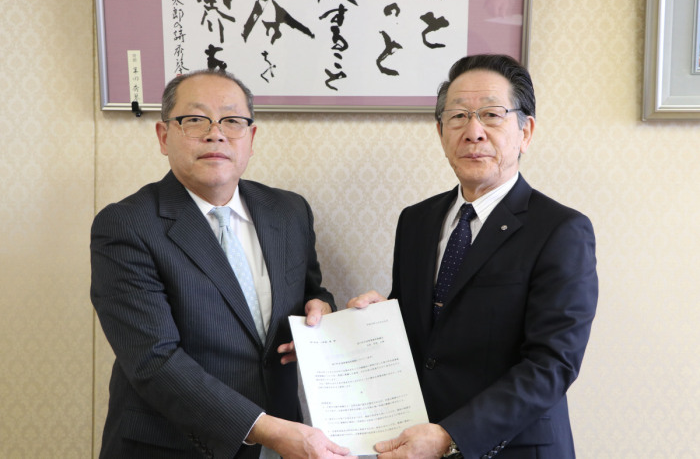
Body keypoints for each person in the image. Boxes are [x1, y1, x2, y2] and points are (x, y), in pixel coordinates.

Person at [91, 69, 354, 459]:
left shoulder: (288, 211)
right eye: (195, 120)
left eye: (232, 121)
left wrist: (321, 309)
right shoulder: (127, 225)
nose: (216, 133)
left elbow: (311, 290)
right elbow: (153, 360)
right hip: (173, 445)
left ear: (251, 137)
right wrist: (269, 430)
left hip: (282, 442)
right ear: (164, 137)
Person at [348, 54, 598, 459]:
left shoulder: (560, 230)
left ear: (526, 131)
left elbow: (552, 365)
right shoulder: (416, 221)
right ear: (440, 131)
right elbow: (426, 333)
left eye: (491, 115)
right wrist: (379, 319)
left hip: (512, 449)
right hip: (414, 443)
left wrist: (451, 435)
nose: (473, 131)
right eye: (459, 116)